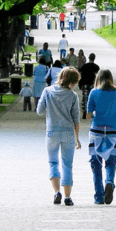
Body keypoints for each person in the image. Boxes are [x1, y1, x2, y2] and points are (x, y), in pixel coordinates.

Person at [37, 67, 81, 206]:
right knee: (67, 164)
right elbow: (76, 119)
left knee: (53, 162)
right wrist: (77, 138)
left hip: (52, 132)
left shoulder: (47, 91)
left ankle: (57, 192)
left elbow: (39, 111)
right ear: (72, 81)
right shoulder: (73, 96)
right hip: (68, 133)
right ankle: (68, 197)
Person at [86, 69, 116, 205]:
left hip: (96, 132)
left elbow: (88, 116)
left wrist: (95, 114)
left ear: (98, 79)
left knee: (96, 164)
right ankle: (109, 182)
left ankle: (99, 196)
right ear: (111, 79)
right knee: (111, 163)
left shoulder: (93, 92)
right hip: (114, 133)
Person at [79, 53, 100, 119]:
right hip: (92, 84)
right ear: (94, 58)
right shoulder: (96, 67)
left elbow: (80, 74)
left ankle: (84, 112)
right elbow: (97, 76)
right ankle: (91, 112)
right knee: (92, 98)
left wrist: (80, 83)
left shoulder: (84, 66)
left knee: (85, 98)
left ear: (88, 58)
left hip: (85, 84)